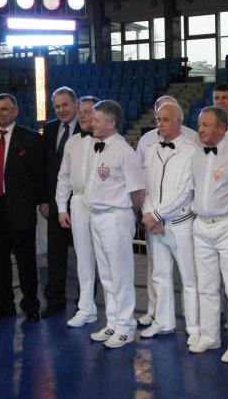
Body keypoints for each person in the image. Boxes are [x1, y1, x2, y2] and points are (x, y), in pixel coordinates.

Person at [0, 93, 48, 324]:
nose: (0, 113)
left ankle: (31, 306)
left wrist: (43, 200)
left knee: (26, 261)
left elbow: (39, 174)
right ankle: (3, 306)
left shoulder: (30, 138)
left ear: (15, 111)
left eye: (4, 109)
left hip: (21, 208)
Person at [189, 106, 228, 363]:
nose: (200, 129)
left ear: (222, 128)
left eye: (206, 124)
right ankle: (210, 335)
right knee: (206, 286)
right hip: (200, 225)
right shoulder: (195, 155)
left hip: (227, 225)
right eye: (199, 124)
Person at [135, 95, 199, 327]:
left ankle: (194, 328)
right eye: (157, 120)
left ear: (178, 122)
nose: (159, 124)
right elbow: (145, 186)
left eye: (164, 120)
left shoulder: (192, 150)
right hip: (155, 224)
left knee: (190, 279)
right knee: (159, 276)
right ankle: (163, 324)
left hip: (180, 224)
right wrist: (148, 214)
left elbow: (186, 191)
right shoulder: (150, 148)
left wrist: (156, 215)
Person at [86, 100, 145, 349]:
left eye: (97, 120)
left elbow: (138, 191)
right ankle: (113, 321)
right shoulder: (97, 147)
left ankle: (126, 326)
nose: (92, 123)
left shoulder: (124, 151)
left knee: (120, 275)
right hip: (98, 216)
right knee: (107, 275)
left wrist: (127, 215)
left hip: (115, 216)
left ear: (111, 123)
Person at [55, 96, 99, 327]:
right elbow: (63, 176)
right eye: (80, 111)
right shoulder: (72, 142)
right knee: (83, 258)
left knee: (108, 260)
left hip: (103, 205)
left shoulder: (111, 141)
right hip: (78, 201)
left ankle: (117, 314)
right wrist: (62, 207)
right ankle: (86, 308)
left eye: (88, 111)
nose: (82, 115)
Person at [42, 86, 80, 318]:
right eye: (57, 106)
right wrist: (44, 200)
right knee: (55, 255)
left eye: (65, 104)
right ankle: (55, 301)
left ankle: (84, 302)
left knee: (84, 256)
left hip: (82, 203)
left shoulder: (88, 128)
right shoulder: (49, 129)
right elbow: (45, 168)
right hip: (56, 204)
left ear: (75, 104)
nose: (61, 110)